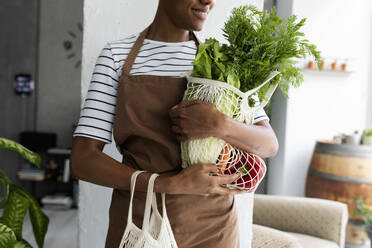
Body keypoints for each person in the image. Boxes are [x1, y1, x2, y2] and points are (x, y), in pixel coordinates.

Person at [70, 0, 279, 247]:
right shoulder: (116, 57)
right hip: (140, 224)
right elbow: (83, 161)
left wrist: (220, 125)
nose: (209, 1)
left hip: (215, 229)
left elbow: (268, 145)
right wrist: (169, 184)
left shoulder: (223, 62)